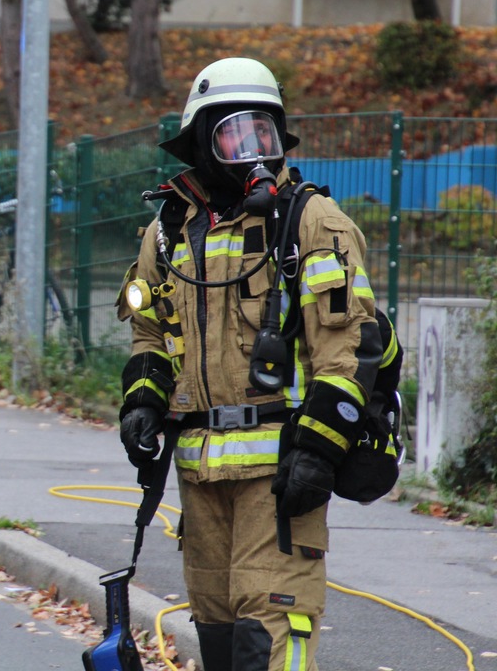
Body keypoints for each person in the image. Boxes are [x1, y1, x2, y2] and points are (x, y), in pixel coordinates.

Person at [116, 57, 384, 670]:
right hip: (201, 477)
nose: (251, 150)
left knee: (268, 643)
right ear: (200, 141)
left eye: (264, 132)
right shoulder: (169, 231)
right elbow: (150, 336)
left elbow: (346, 350)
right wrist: (143, 402)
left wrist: (318, 451)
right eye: (234, 133)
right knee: (217, 639)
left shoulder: (311, 223)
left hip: (280, 478)